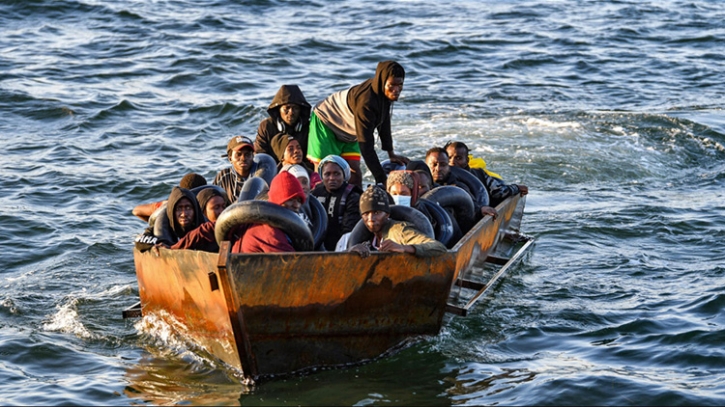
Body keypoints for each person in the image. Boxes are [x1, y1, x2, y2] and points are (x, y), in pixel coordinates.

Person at [307, 61, 409, 188]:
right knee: (326, 172)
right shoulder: (366, 102)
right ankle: (319, 203)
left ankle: (355, 203)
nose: (396, 90)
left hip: (349, 128)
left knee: (354, 173)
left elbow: (384, 121)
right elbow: (366, 147)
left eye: (400, 85)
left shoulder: (384, 94)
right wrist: (382, 179)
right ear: (382, 82)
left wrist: (391, 153)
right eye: (392, 85)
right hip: (326, 122)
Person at [349, 185, 446, 258]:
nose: (371, 218)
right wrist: (350, 252)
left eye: (377, 212)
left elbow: (438, 247)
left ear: (387, 214)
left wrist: (404, 248)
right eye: (366, 214)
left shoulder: (400, 230)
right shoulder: (366, 238)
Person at [233, 171, 306, 253]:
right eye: (290, 200)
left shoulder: (270, 224)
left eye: (299, 200)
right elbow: (292, 263)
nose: (296, 205)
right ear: (278, 201)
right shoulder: (270, 231)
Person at [445, 141, 528, 207]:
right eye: (449, 158)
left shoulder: (479, 173)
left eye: (458, 158)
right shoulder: (440, 178)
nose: (452, 162)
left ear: (467, 161)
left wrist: (515, 188)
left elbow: (498, 191)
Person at [425, 147, 497, 219]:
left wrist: (480, 209)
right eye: (434, 164)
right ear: (426, 165)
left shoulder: (458, 187)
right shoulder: (420, 184)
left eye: (443, 165)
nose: (438, 169)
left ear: (448, 166)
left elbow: (470, 203)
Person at [311, 155, 363, 251]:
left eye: (336, 174)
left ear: (344, 175)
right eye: (327, 174)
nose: (332, 178)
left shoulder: (352, 196)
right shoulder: (314, 193)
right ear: (322, 176)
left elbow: (349, 229)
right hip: (316, 244)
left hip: (343, 245)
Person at [134, 186, 203, 252]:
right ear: (172, 211)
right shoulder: (161, 227)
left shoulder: (205, 227)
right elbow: (139, 240)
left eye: (188, 208)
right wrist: (158, 243)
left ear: (195, 210)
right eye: (178, 209)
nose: (184, 214)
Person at [254, 85, 311, 163]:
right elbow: (260, 157)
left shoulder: (309, 127)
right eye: (287, 108)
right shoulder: (266, 126)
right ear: (279, 110)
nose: (291, 112)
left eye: (295, 108)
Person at [131, 173, 207, 222]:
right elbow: (136, 211)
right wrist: (159, 222)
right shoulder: (211, 206)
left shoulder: (170, 206)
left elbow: (136, 211)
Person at [214, 135, 258, 203]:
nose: (243, 158)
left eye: (248, 154)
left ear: (253, 156)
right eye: (238, 154)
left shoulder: (261, 173)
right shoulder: (223, 176)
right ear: (230, 158)